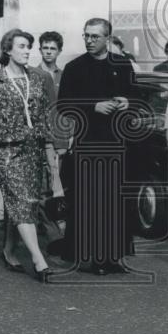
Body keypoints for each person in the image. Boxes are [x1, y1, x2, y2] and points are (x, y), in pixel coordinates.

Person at [54, 18, 136, 276]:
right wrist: (93, 107)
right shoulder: (74, 67)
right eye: (86, 36)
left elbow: (135, 96)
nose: (89, 41)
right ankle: (95, 257)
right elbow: (63, 105)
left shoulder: (122, 65)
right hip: (89, 142)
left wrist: (126, 101)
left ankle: (113, 256)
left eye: (95, 37)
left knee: (114, 202)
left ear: (107, 38)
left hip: (117, 143)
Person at [0, 29, 54, 283]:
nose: (27, 51)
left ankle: (9, 250)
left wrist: (49, 149)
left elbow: (43, 116)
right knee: (20, 202)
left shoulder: (37, 78)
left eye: (28, 47)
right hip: (7, 151)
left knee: (23, 203)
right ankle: (38, 259)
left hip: (32, 150)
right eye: (21, 46)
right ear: (7, 50)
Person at [36, 31, 67, 197]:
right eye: (45, 48)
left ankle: (56, 220)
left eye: (52, 48)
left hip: (58, 138)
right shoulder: (31, 75)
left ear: (59, 51)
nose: (48, 51)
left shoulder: (65, 76)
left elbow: (67, 110)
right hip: (37, 138)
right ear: (40, 50)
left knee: (56, 185)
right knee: (39, 186)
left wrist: (65, 139)